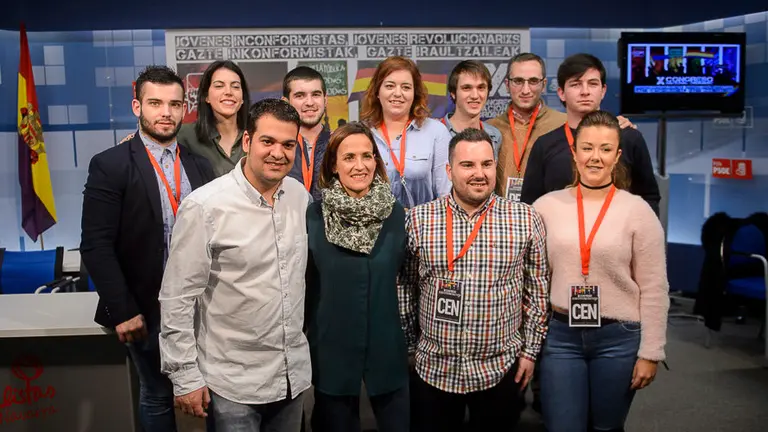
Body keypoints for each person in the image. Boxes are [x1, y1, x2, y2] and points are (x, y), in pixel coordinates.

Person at [158, 99, 310, 432]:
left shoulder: (299, 197)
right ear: (246, 142)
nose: (278, 153)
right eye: (267, 142)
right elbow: (177, 298)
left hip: (291, 377)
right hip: (233, 385)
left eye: (288, 145)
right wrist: (184, 376)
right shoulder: (205, 206)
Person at [80, 65, 215, 432]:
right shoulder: (110, 164)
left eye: (174, 104)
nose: (166, 112)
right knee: (156, 395)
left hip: (200, 307)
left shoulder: (200, 166)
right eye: (155, 103)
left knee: (215, 393)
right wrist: (122, 309)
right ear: (137, 106)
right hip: (144, 306)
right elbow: (95, 244)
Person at [398, 127, 550, 432]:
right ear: (449, 170)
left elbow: (537, 292)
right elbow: (405, 286)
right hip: (434, 368)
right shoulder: (418, 219)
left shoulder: (525, 219)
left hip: (499, 368)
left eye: (486, 164)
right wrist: (410, 347)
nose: (478, 173)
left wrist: (530, 353)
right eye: (467, 165)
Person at [532, 110, 669, 432]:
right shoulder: (545, 207)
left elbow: (654, 287)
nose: (596, 157)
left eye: (606, 149)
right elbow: (531, 279)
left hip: (618, 338)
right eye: (588, 148)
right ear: (575, 153)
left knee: (606, 427)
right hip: (560, 337)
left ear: (617, 155)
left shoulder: (638, 211)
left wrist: (651, 352)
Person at [305, 122, 409, 432]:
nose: (360, 165)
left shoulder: (396, 214)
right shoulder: (312, 216)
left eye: (367, 156)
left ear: (377, 161)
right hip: (331, 349)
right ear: (333, 165)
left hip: (386, 346)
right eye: (349, 157)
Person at [521, 53, 661, 215]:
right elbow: (529, 206)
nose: (585, 91)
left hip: (617, 237)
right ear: (561, 93)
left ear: (603, 90)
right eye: (576, 84)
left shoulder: (629, 138)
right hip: (559, 238)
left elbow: (649, 197)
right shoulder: (545, 144)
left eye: (593, 84)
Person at [487, 53, 635, 203]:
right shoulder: (490, 129)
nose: (525, 90)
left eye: (533, 81)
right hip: (501, 218)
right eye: (518, 81)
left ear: (544, 85)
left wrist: (616, 125)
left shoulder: (569, 125)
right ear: (506, 84)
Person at [119, 60, 250, 180]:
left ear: (243, 96)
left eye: (236, 86)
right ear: (206, 96)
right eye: (219, 86)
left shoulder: (256, 134)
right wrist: (132, 143)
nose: (228, 92)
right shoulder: (184, 134)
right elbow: (151, 141)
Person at [360, 56, 452, 209]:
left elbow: (447, 194)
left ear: (415, 93)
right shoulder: (361, 133)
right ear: (377, 91)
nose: (397, 93)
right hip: (374, 229)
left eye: (406, 87)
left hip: (424, 228)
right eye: (389, 86)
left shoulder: (436, 132)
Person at [282, 66, 331, 202]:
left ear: (325, 100)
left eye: (316, 94)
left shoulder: (339, 144)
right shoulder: (275, 147)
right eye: (300, 96)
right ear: (286, 102)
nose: (309, 102)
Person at [439, 60, 503, 159]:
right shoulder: (436, 132)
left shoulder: (494, 135)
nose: (475, 96)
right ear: (453, 93)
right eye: (467, 88)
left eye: (481, 88)